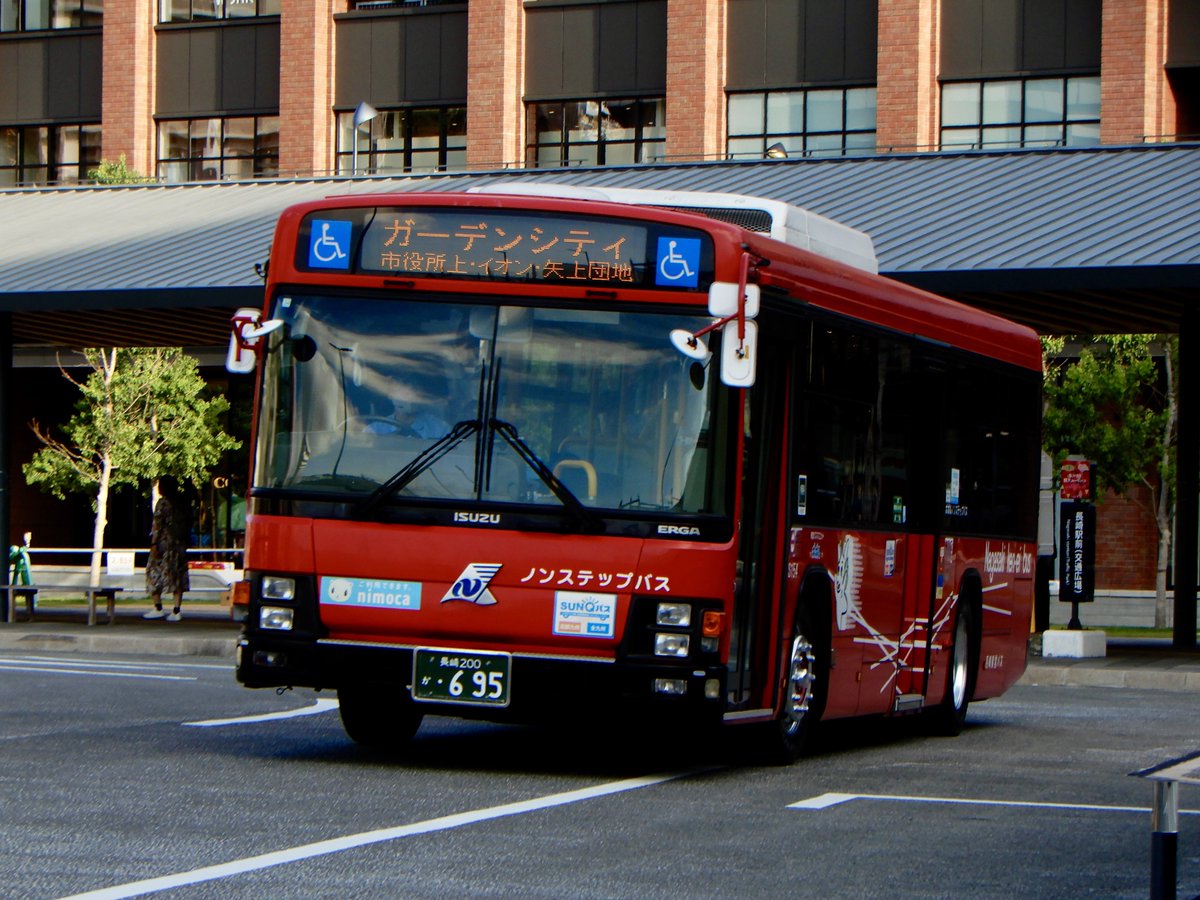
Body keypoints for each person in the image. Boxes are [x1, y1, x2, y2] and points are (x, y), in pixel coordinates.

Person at [142, 476, 192, 622]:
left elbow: (157, 526)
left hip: (164, 544)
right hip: (179, 544)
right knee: (178, 574)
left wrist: (153, 544)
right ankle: (176, 610)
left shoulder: (162, 503)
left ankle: (158, 607)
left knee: (153, 572)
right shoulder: (182, 503)